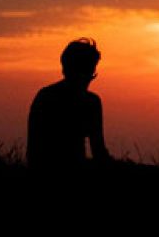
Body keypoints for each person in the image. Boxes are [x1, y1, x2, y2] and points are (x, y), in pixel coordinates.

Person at [27, 37, 112, 171]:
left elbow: (32, 152)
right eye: (87, 68)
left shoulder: (44, 96)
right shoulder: (91, 103)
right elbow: (99, 152)